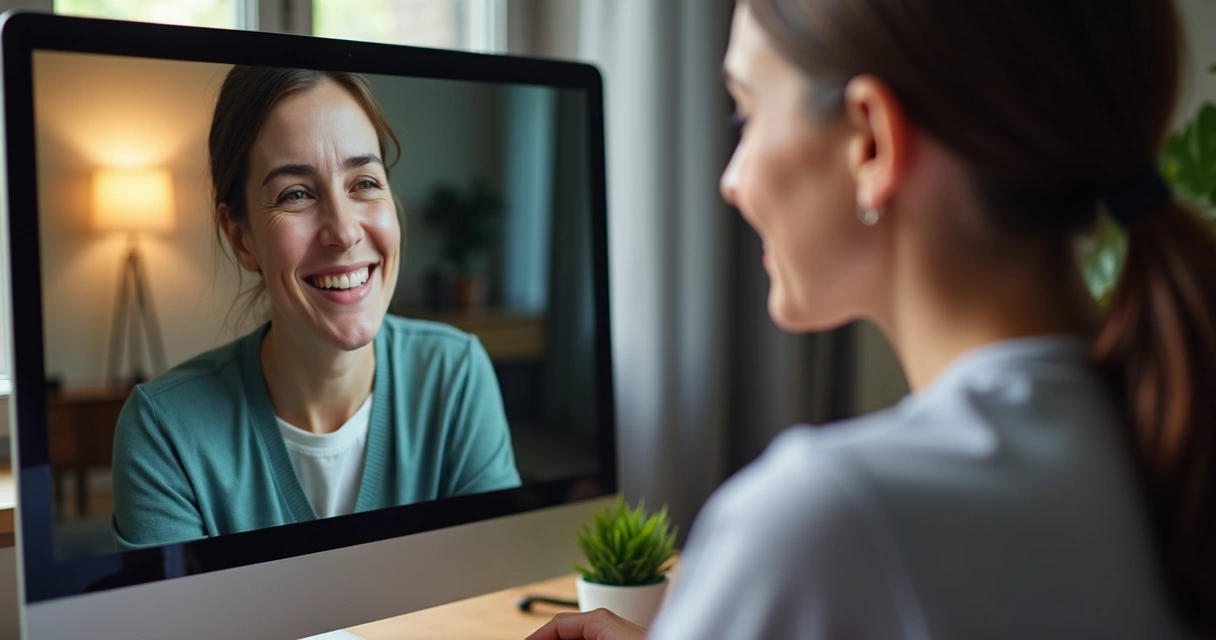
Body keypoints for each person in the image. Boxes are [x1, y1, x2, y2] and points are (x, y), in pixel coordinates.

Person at [527, 0, 1216, 638]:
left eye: (748, 114)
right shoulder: (1168, 433)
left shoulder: (826, 522)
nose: (730, 179)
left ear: (872, 142)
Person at [111, 67, 521, 551]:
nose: (344, 231)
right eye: (297, 194)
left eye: (364, 182)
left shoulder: (455, 374)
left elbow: (494, 595)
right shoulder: (164, 431)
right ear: (241, 238)